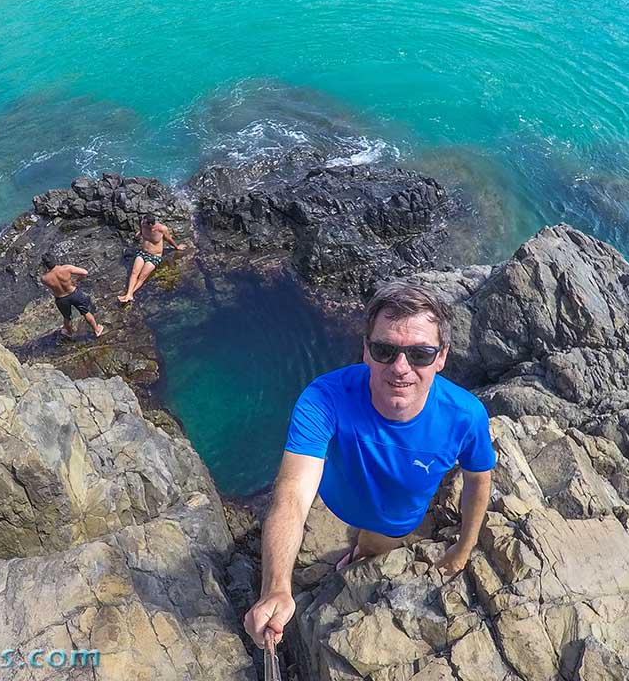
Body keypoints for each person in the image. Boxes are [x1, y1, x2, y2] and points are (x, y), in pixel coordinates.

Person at [243, 280, 496, 650]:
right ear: (365, 350)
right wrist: (276, 587)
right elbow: (293, 495)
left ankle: (360, 552)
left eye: (420, 354)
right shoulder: (324, 399)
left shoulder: (466, 416)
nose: (400, 367)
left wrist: (463, 547)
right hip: (335, 501)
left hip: (392, 521)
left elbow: (478, 480)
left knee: (372, 546)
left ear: (441, 357)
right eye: (384, 349)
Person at [117, 214, 186, 304]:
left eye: (145, 223)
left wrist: (177, 247)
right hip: (143, 253)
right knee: (134, 272)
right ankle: (129, 294)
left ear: (150, 225)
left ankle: (130, 294)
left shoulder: (162, 229)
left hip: (155, 256)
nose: (142, 223)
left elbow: (169, 239)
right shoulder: (143, 224)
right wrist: (138, 235)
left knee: (142, 276)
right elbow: (141, 231)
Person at [40, 255, 105, 339]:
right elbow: (84, 272)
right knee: (85, 312)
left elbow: (50, 287)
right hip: (74, 293)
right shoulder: (66, 268)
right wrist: (77, 280)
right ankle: (96, 330)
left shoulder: (44, 278)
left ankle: (69, 332)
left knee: (67, 317)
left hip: (61, 299)